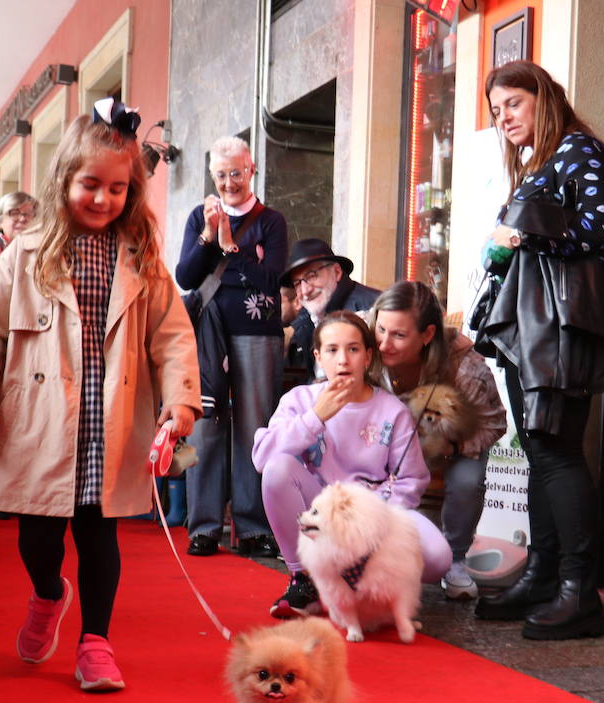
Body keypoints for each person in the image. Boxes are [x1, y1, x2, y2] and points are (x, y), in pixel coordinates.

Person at [0, 100, 198, 692]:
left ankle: (96, 642)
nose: (102, 199)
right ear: (65, 179)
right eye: (91, 184)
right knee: (37, 535)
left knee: (98, 531)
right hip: (39, 413)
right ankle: (45, 595)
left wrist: (181, 397)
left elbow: (172, 334)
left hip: (109, 412)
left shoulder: (143, 259)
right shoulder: (27, 251)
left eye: (118, 188)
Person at [472, 60, 604, 641]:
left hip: (560, 327)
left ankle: (581, 594)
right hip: (531, 327)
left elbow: (598, 232)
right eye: (496, 110)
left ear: (543, 96)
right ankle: (543, 575)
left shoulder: (579, 150)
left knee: (557, 450)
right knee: (539, 451)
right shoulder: (543, 160)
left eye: (512, 103)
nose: (503, 117)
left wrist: (520, 235)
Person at [252, 310, 452, 616]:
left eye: (353, 349)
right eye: (332, 350)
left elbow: (411, 479)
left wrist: (372, 530)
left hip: (375, 513)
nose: (343, 360)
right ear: (318, 357)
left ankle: (366, 578)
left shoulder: (391, 409)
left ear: (368, 356)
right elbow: (263, 458)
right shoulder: (300, 400)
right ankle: (304, 578)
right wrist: (315, 417)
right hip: (318, 507)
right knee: (278, 470)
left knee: (439, 557)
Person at [174, 136, 287, 559]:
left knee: (255, 430)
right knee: (204, 425)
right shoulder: (197, 217)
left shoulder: (271, 221)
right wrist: (208, 234)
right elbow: (186, 275)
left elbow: (271, 279)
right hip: (206, 332)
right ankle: (203, 527)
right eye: (220, 175)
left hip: (258, 334)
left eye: (236, 173)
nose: (228, 182)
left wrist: (230, 249)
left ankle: (253, 527)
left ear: (251, 169)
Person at [370, 281, 506, 599]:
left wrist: (451, 446)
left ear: (427, 335)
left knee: (468, 477)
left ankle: (454, 560)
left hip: (446, 447)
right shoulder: (363, 343)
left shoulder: (466, 369)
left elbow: (495, 425)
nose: (384, 344)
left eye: (399, 335)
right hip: (379, 441)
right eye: (381, 330)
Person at [283, 237, 380, 379]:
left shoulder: (372, 309)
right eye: (297, 283)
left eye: (311, 276)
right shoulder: (306, 319)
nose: (305, 290)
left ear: (337, 272)